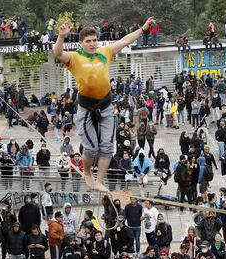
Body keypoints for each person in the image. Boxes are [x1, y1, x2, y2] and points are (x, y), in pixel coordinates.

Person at [54, 17, 155, 192]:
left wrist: (143, 29)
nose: (92, 44)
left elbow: (125, 40)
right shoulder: (75, 57)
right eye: (88, 41)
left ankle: (99, 180)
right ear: (81, 43)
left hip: (106, 106)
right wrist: (61, 37)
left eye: (94, 40)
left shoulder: (105, 52)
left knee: (107, 147)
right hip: (86, 108)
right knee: (92, 148)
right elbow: (57, 53)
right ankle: (87, 173)